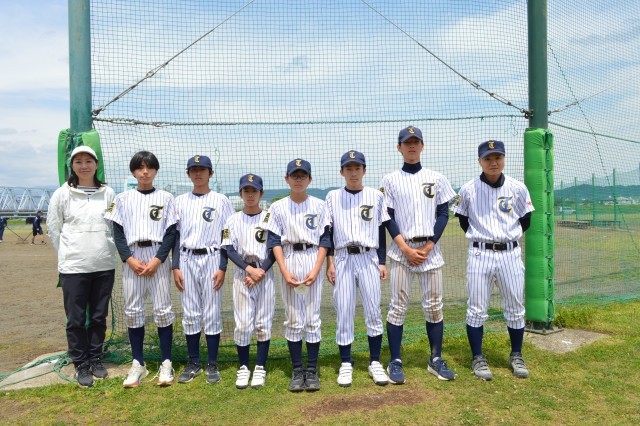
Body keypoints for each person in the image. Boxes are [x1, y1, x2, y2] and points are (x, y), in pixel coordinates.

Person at [451, 140, 534, 380]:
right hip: (481, 253)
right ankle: (477, 357)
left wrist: (509, 236)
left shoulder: (518, 188)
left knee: (515, 307)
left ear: (504, 159)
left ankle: (516, 354)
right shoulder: (468, 189)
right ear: (480, 161)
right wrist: (484, 237)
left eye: (497, 157)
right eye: (488, 158)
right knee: (476, 309)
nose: (493, 162)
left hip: (510, 253)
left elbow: (526, 219)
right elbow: (463, 220)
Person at [380, 126, 457, 384]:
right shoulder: (390, 180)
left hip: (429, 251)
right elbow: (387, 217)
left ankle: (435, 358)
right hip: (401, 251)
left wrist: (429, 245)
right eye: (407, 142)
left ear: (423, 146)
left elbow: (443, 214)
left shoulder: (437, 178)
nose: (411, 146)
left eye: (416, 142)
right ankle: (395, 360)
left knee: (434, 306)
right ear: (399, 147)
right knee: (397, 307)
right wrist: (404, 248)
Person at [104, 151, 178, 388]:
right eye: (140, 168)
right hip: (133, 256)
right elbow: (117, 232)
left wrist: (158, 259)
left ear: (156, 170)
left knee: (163, 310)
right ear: (133, 171)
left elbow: (171, 232)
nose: (145, 172)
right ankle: (138, 363)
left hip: (157, 255)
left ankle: (166, 362)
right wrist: (129, 259)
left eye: (149, 167)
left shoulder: (166, 197)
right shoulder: (122, 198)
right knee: (133, 310)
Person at [47, 145, 118, 387]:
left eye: (89, 161)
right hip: (74, 267)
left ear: (96, 165)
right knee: (76, 319)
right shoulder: (62, 194)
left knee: (98, 316)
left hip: (103, 264)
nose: (84, 166)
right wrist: (68, 254)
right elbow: (54, 229)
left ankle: (96, 358)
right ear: (72, 166)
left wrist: (106, 248)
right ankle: (80, 363)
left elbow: (113, 225)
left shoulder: (108, 193)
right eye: (79, 162)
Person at [263, 159, 330, 392]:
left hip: (312, 256)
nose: (298, 179)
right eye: (294, 175)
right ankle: (297, 369)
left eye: (303, 175)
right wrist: (284, 270)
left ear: (310, 179)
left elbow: (325, 239)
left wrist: (317, 268)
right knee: (293, 318)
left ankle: (311, 369)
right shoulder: (277, 207)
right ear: (287, 179)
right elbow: (274, 241)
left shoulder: (320, 205)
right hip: (289, 256)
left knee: (312, 317)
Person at [325, 150, 390, 387]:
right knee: (344, 310)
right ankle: (345, 363)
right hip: (343, 257)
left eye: (357, 168)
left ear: (364, 170)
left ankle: (375, 361)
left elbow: (381, 230)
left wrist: (382, 261)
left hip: (368, 256)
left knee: (373, 309)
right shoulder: (332, 196)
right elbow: (328, 232)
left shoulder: (376, 196)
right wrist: (330, 262)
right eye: (349, 168)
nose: (353, 173)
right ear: (341, 172)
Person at [172, 155, 234, 385]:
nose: (198, 173)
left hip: (212, 257)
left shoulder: (221, 200)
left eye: (202, 169)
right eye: (194, 170)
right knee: (190, 312)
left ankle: (212, 362)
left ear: (211, 173)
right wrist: (175, 266)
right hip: (186, 258)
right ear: (188, 174)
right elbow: (176, 236)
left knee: (211, 311)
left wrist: (222, 266)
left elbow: (227, 235)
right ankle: (193, 361)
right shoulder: (179, 201)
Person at [222, 174, 277, 389]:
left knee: (263, 323)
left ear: (261, 193)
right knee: (243, 324)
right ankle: (244, 367)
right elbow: (229, 249)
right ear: (241, 193)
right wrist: (249, 270)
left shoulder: (270, 217)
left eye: (254, 191)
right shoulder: (232, 220)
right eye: (246, 191)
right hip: (242, 274)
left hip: (264, 273)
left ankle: (260, 367)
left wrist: (260, 271)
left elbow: (275, 248)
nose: (250, 195)